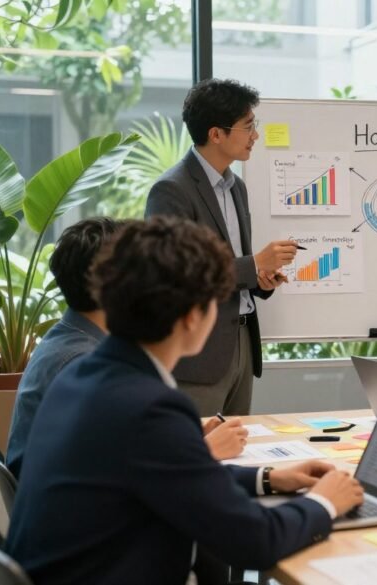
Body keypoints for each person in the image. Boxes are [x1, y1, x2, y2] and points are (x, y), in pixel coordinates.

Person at [5, 217, 364, 584]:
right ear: (194, 316)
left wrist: (268, 478)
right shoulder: (147, 407)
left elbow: (177, 474)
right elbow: (255, 542)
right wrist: (325, 501)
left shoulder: (84, 375)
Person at [4, 218, 247, 478]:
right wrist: (203, 450)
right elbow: (114, 472)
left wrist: (185, 440)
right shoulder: (84, 362)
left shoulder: (69, 340)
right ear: (112, 281)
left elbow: (112, 446)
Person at [147, 78, 298, 416]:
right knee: (198, 454)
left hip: (242, 341)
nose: (255, 135)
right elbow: (175, 277)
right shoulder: (172, 190)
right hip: (199, 355)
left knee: (237, 451)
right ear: (216, 134)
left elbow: (234, 266)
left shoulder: (236, 187)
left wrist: (260, 277)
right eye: (248, 127)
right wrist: (252, 264)